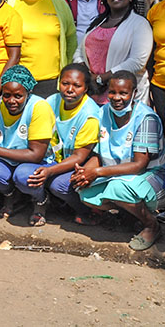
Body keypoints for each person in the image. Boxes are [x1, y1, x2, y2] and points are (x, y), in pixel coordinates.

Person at [73, 71, 165, 252]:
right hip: (121, 176)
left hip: (153, 177)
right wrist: (85, 172)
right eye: (112, 92)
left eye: (123, 93)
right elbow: (98, 154)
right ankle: (130, 216)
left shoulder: (146, 118)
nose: (117, 98)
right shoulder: (103, 113)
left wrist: (97, 172)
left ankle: (151, 225)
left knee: (118, 188)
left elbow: (139, 165)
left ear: (134, 92)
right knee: (85, 192)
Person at [23, 64, 101, 226]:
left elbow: (79, 156)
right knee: (24, 174)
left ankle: (85, 210)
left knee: (59, 184)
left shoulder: (90, 116)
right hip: (51, 158)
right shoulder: (51, 101)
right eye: (65, 83)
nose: (70, 89)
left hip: (77, 164)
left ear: (86, 88)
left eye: (77, 86)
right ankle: (42, 204)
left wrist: (49, 171)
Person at [0, 65, 55, 221]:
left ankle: (41, 200)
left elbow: (36, 155)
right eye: (6, 95)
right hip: (6, 160)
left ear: (28, 93)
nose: (11, 101)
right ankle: (11, 196)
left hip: (36, 162)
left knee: (24, 176)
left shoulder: (39, 107)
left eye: (18, 96)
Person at [73, 0, 153, 105]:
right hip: (93, 92)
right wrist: (88, 76)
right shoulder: (98, 22)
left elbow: (137, 61)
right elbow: (79, 51)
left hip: (122, 95)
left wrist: (102, 78)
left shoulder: (140, 24)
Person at [7, 0, 77, 97]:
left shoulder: (59, 3)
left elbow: (71, 41)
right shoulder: (10, 5)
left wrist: (67, 76)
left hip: (52, 82)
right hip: (19, 82)